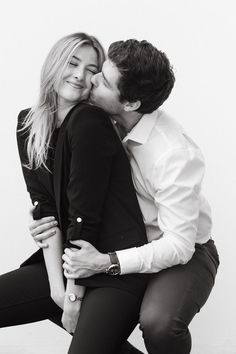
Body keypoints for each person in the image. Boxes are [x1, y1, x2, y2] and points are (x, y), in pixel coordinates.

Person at [34, 39, 220, 354]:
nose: (91, 79)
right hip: (119, 244)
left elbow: (179, 246)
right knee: (45, 301)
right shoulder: (96, 118)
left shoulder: (174, 154)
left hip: (183, 254)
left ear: (131, 103)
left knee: (158, 323)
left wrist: (107, 262)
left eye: (103, 81)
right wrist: (42, 220)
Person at [0, 33, 150, 354]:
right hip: (67, 264)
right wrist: (58, 290)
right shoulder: (28, 124)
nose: (80, 75)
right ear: (55, 63)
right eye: (73, 62)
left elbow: (85, 216)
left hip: (112, 266)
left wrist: (72, 296)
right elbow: (45, 210)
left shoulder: (89, 120)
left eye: (91, 69)